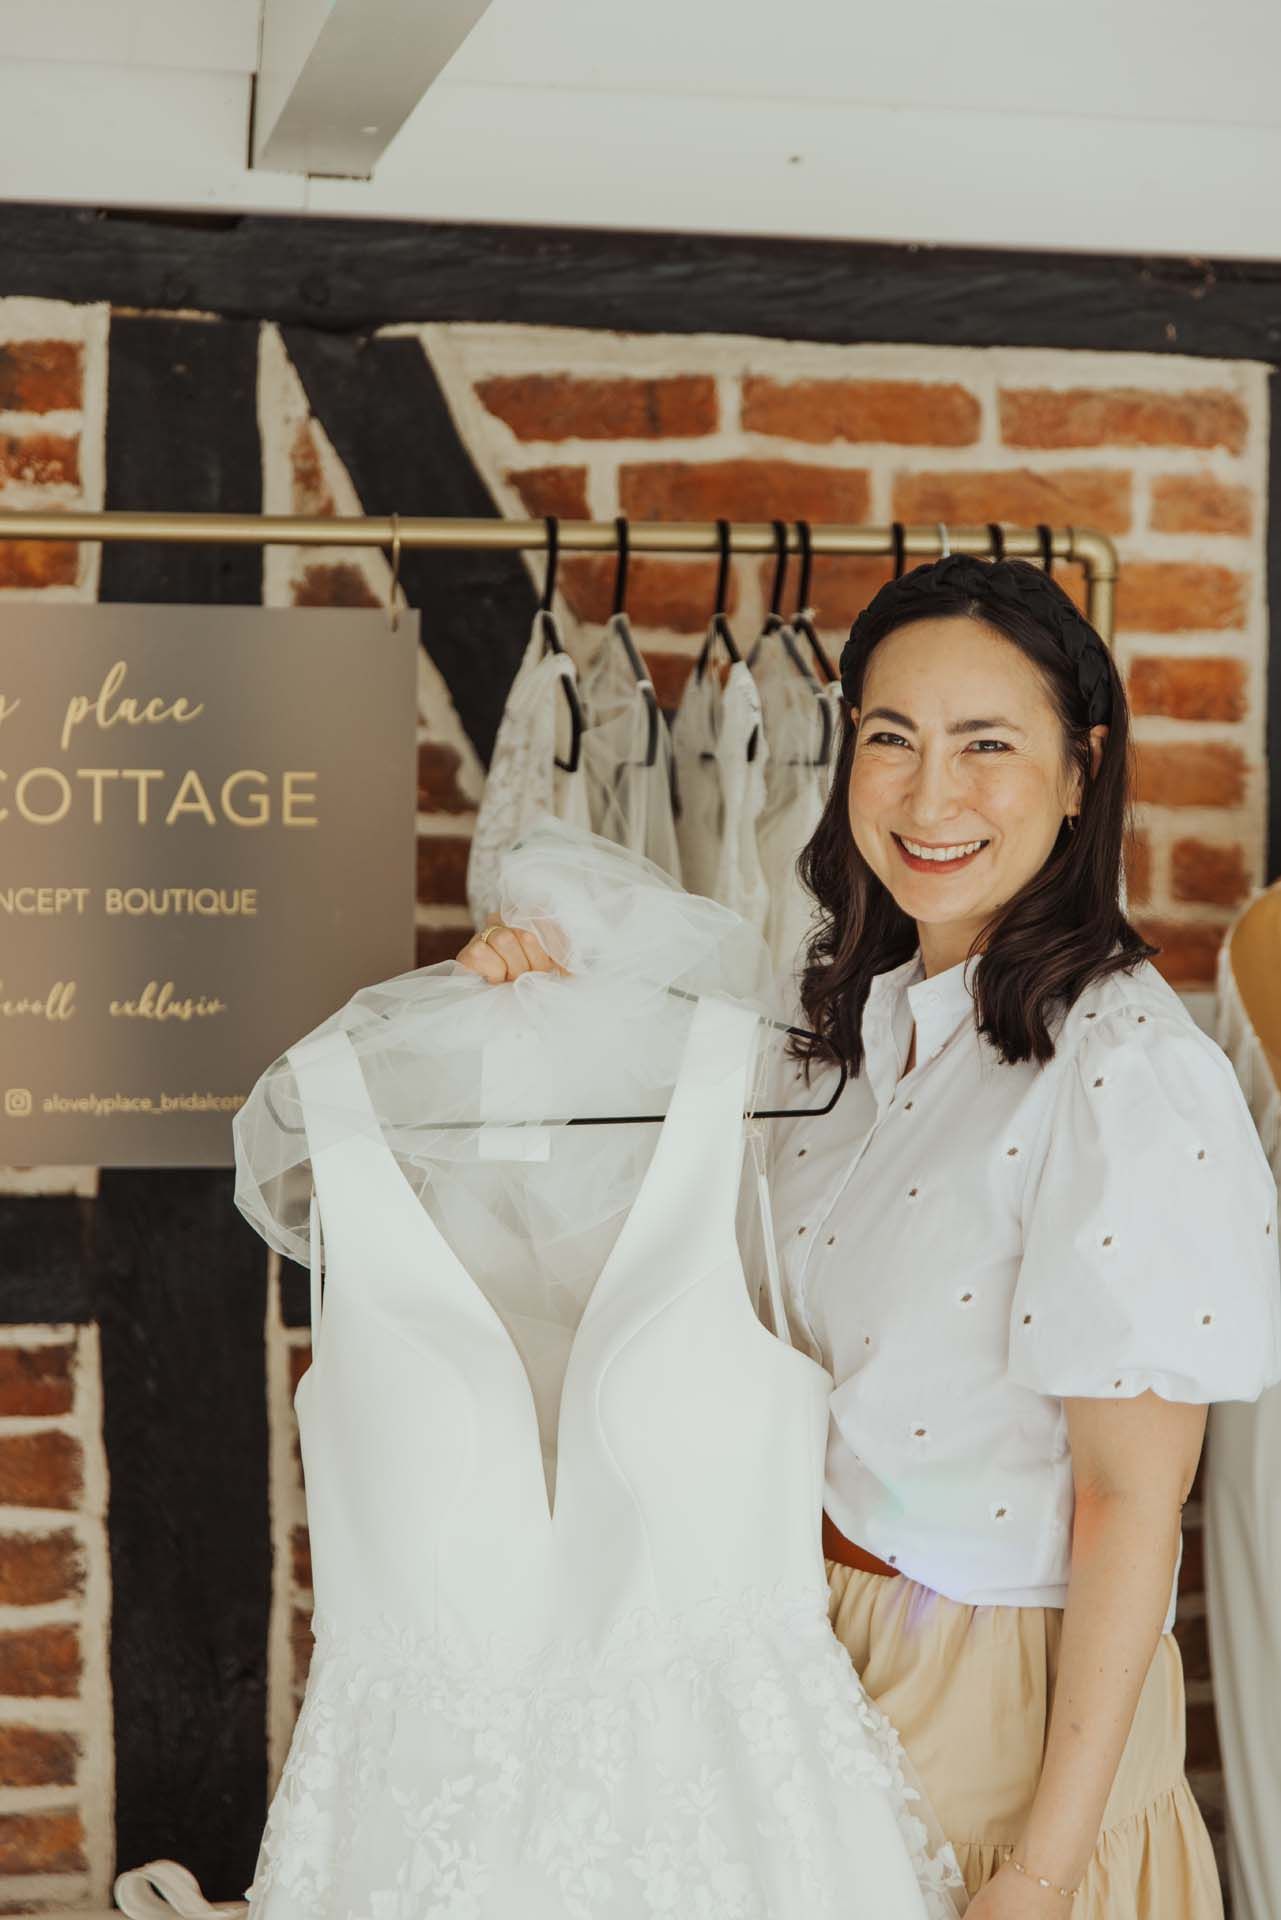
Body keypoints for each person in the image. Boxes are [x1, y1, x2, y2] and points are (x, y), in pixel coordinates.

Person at [459, 553, 1281, 1918]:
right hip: (794, 1647)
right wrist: (524, 1005)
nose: (929, 793)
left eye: (985, 745)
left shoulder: (1123, 1069)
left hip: (994, 1686)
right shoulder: (840, 1024)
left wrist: (1041, 1865)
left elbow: (1132, 1500)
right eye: (889, 738)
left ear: (1080, 771)